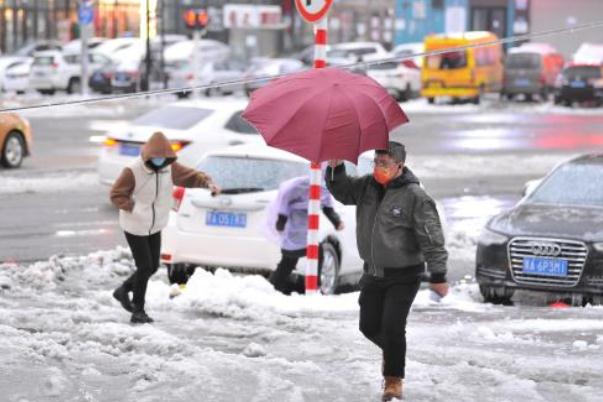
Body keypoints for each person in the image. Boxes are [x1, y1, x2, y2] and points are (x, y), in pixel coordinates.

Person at [326, 141, 448, 401]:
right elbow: (342, 192)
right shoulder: (366, 186)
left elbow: (431, 237)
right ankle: (394, 353)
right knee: (368, 326)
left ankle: (393, 382)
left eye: (384, 164)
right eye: (376, 162)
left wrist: (438, 275)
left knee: (393, 327)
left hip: (404, 275)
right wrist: (335, 167)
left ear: (399, 166)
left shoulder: (416, 196)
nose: (378, 168)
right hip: (373, 273)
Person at [110, 131, 220, 324]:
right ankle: (138, 310)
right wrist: (132, 207)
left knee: (152, 266)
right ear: (148, 156)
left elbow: (191, 176)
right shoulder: (133, 170)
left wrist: (207, 183)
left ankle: (123, 290)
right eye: (156, 159)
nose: (160, 162)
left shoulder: (170, 168)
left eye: (164, 159)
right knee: (144, 267)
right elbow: (117, 194)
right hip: (135, 225)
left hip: (156, 224)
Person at [267, 175, 344, 294]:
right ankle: (273, 287)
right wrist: (281, 222)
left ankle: (313, 286)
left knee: (312, 254)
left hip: (307, 233)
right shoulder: (296, 187)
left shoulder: (321, 188)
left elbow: (328, 208)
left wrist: (336, 221)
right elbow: (284, 207)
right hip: (295, 231)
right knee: (290, 260)